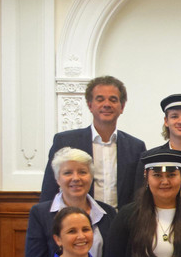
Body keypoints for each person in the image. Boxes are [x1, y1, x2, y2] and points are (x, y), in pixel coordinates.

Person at [40, 75, 146, 209]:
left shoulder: (136, 147)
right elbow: (49, 189)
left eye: (113, 100)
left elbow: (138, 194)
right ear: (90, 105)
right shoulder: (65, 141)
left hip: (121, 219)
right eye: (100, 99)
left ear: (122, 106)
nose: (106, 104)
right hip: (77, 217)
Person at [26, 147, 116, 257]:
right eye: (68, 173)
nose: (76, 178)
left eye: (82, 172)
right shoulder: (40, 213)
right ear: (58, 179)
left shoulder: (108, 213)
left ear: (91, 177)